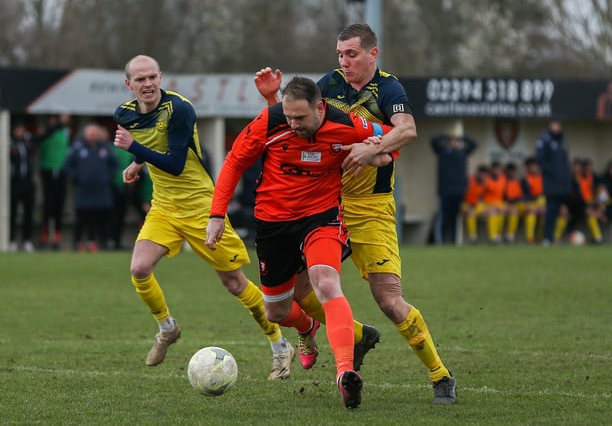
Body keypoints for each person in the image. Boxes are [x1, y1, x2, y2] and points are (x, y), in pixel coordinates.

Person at [254, 23, 456, 405]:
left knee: (390, 301)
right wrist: (271, 101)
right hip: (327, 206)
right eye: (340, 55)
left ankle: (440, 375)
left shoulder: (388, 89)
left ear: (372, 54)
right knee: (299, 292)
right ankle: (358, 334)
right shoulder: (327, 86)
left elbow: (408, 130)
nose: (344, 62)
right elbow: (293, 124)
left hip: (372, 209)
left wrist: (371, 148)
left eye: (352, 54)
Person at [206, 76, 395, 409]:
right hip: (272, 223)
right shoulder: (269, 121)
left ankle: (344, 373)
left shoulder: (347, 124)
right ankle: (307, 329)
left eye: (300, 118)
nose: (292, 124)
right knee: (276, 311)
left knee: (326, 282)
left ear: (320, 108)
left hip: (320, 218)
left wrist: (375, 152)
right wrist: (217, 214)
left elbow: (391, 141)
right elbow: (235, 160)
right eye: (288, 116)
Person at [112, 55, 294, 381]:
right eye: (140, 79)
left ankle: (280, 347)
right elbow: (154, 146)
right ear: (129, 85)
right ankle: (167, 328)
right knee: (139, 268)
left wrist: (134, 148)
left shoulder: (180, 109)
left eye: (152, 76)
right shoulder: (124, 114)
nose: (148, 84)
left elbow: (176, 163)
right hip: (164, 207)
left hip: (201, 207)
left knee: (234, 282)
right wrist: (136, 162)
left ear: (160, 77)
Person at [65, 123, 119, 252]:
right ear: (85, 135)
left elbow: (115, 165)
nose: (92, 136)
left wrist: (107, 177)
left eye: (94, 134)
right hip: (83, 189)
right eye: (90, 134)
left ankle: (95, 242)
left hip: (101, 190)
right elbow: (68, 166)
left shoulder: (105, 148)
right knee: (81, 217)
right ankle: (77, 242)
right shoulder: (77, 148)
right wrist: (77, 178)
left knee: (98, 216)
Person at [430, 128, 477, 245]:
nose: (454, 143)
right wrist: (445, 136)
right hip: (445, 190)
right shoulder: (443, 151)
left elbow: (474, 144)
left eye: (456, 141)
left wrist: (462, 137)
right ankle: (439, 241)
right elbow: (433, 141)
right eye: (452, 141)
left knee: (455, 217)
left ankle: (453, 240)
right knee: (443, 215)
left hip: (459, 191)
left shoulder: (463, 153)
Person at [535, 117, 572, 246]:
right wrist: (553, 173)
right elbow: (540, 160)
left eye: (558, 124)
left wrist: (566, 181)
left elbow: (565, 163)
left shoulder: (563, 140)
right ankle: (547, 238)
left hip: (564, 185)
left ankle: (561, 236)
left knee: (565, 210)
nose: (556, 126)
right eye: (554, 124)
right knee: (551, 211)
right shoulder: (544, 140)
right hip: (552, 185)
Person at [36, 114, 71, 250]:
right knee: (48, 206)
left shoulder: (65, 133)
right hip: (47, 172)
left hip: (61, 173)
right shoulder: (45, 134)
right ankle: (44, 237)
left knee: (59, 206)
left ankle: (56, 237)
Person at [9, 123, 37, 252]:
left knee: (28, 212)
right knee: (12, 212)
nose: (20, 132)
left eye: (22, 129)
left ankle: (27, 240)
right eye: (18, 129)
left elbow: (41, 137)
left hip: (27, 181)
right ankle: (11, 240)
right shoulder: (9, 142)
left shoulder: (28, 142)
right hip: (14, 181)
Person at [520, 157, 545, 244]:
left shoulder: (544, 177)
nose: (532, 168)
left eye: (534, 166)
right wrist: (530, 205)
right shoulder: (525, 179)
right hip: (530, 202)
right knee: (531, 213)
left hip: (542, 201)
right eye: (530, 166)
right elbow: (525, 195)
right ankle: (530, 238)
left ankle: (542, 237)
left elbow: (546, 193)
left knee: (544, 213)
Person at [462, 164, 489, 244]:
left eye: (485, 174)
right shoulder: (469, 180)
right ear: (477, 173)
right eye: (482, 173)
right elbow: (461, 195)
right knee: (471, 213)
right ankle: (472, 237)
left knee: (491, 212)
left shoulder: (484, 184)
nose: (483, 176)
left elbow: (481, 197)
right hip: (465, 204)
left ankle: (494, 237)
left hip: (476, 204)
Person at [482, 161, 507, 244]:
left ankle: (499, 235)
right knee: (493, 213)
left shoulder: (503, 179)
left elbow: (505, 194)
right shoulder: (486, 179)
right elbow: (481, 194)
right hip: (487, 203)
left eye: (498, 169)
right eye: (495, 169)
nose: (496, 171)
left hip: (500, 202)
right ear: (491, 170)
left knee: (502, 212)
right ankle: (493, 237)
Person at [503, 162, 525, 243]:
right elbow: (503, 196)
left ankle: (531, 238)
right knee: (513, 212)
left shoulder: (520, 181)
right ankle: (510, 236)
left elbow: (524, 195)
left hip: (518, 203)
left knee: (531, 211)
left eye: (513, 171)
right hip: (507, 204)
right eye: (510, 171)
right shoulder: (503, 181)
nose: (511, 173)